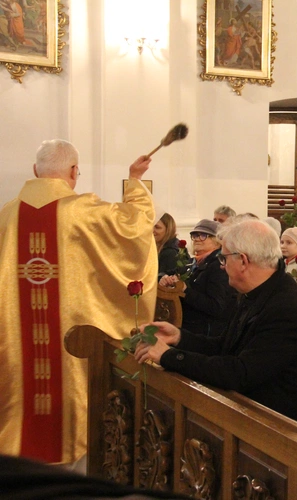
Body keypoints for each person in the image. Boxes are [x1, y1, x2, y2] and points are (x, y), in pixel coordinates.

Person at [0, 139, 157, 468]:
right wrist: (136, 182)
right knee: (72, 413)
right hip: (70, 348)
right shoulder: (84, 211)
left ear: (34, 171)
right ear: (73, 172)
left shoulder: (5, 217)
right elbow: (135, 226)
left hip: (15, 346)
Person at [135, 219, 297, 429]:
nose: (221, 267)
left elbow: (239, 373)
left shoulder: (286, 309)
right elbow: (225, 346)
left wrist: (168, 356)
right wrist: (179, 338)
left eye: (223, 259)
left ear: (242, 260)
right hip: (251, 414)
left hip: (280, 430)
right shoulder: (257, 292)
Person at [160, 219, 236, 338]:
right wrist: (164, 278)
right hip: (187, 328)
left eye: (203, 235)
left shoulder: (218, 266)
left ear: (216, 240)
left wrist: (185, 290)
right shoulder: (192, 262)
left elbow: (216, 306)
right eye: (194, 235)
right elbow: (169, 273)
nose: (196, 239)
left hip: (205, 333)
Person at [154, 212, 180, 278]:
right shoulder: (160, 248)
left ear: (168, 229)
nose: (152, 230)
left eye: (157, 227)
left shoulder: (170, 252)